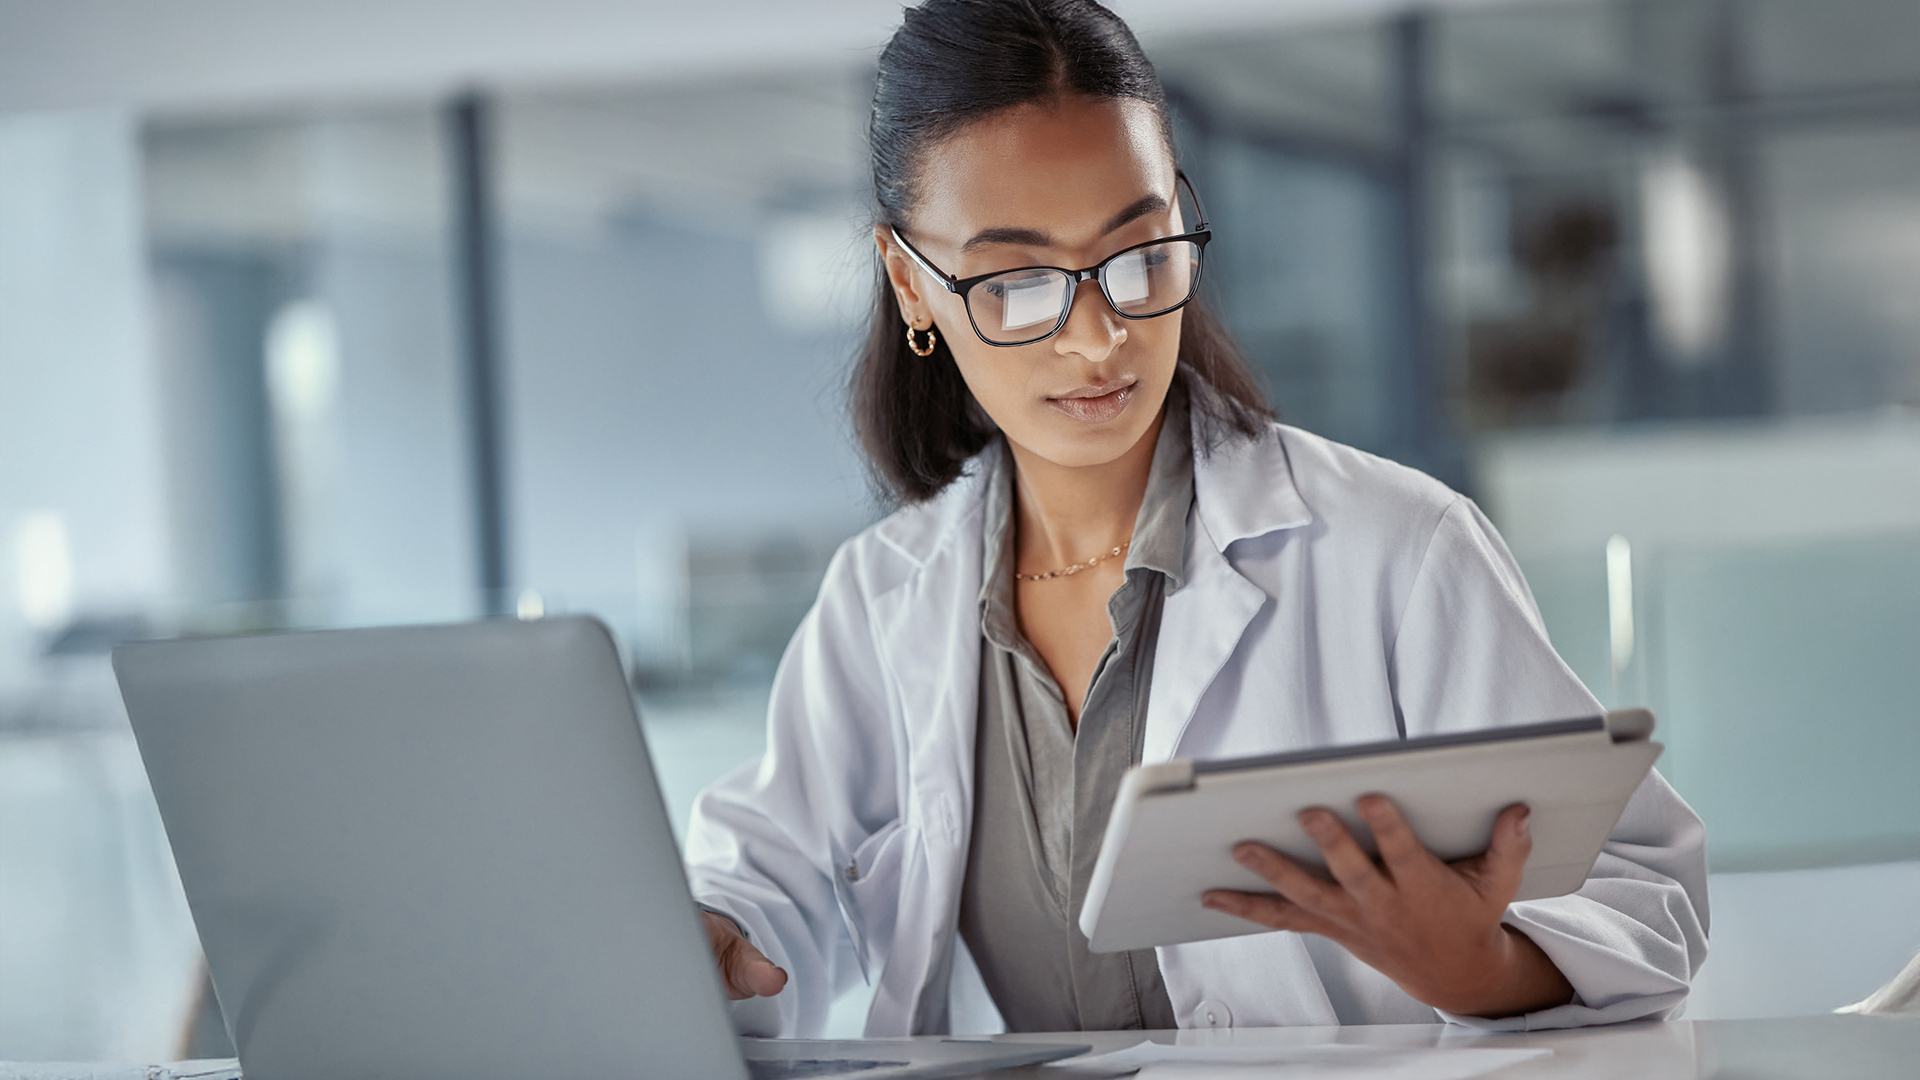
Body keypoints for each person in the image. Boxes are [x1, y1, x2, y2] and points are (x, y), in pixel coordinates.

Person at [686, 0, 1708, 1037]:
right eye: (1018, 282)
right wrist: (713, 929)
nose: (1096, 337)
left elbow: (1641, 894)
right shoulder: (882, 598)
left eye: (1138, 255)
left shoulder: (1397, 551)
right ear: (912, 283)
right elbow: (771, 878)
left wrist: (1478, 965)